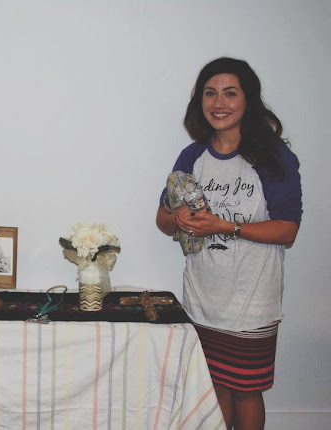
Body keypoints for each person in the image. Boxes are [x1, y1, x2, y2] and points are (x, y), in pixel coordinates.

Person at [156, 57, 302, 429]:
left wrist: (224, 226)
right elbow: (162, 219)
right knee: (213, 387)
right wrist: (179, 219)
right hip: (201, 300)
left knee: (247, 390)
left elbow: (287, 230)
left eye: (230, 93)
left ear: (247, 100)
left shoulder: (272, 158)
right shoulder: (192, 156)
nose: (218, 103)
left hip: (252, 303)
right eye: (210, 93)